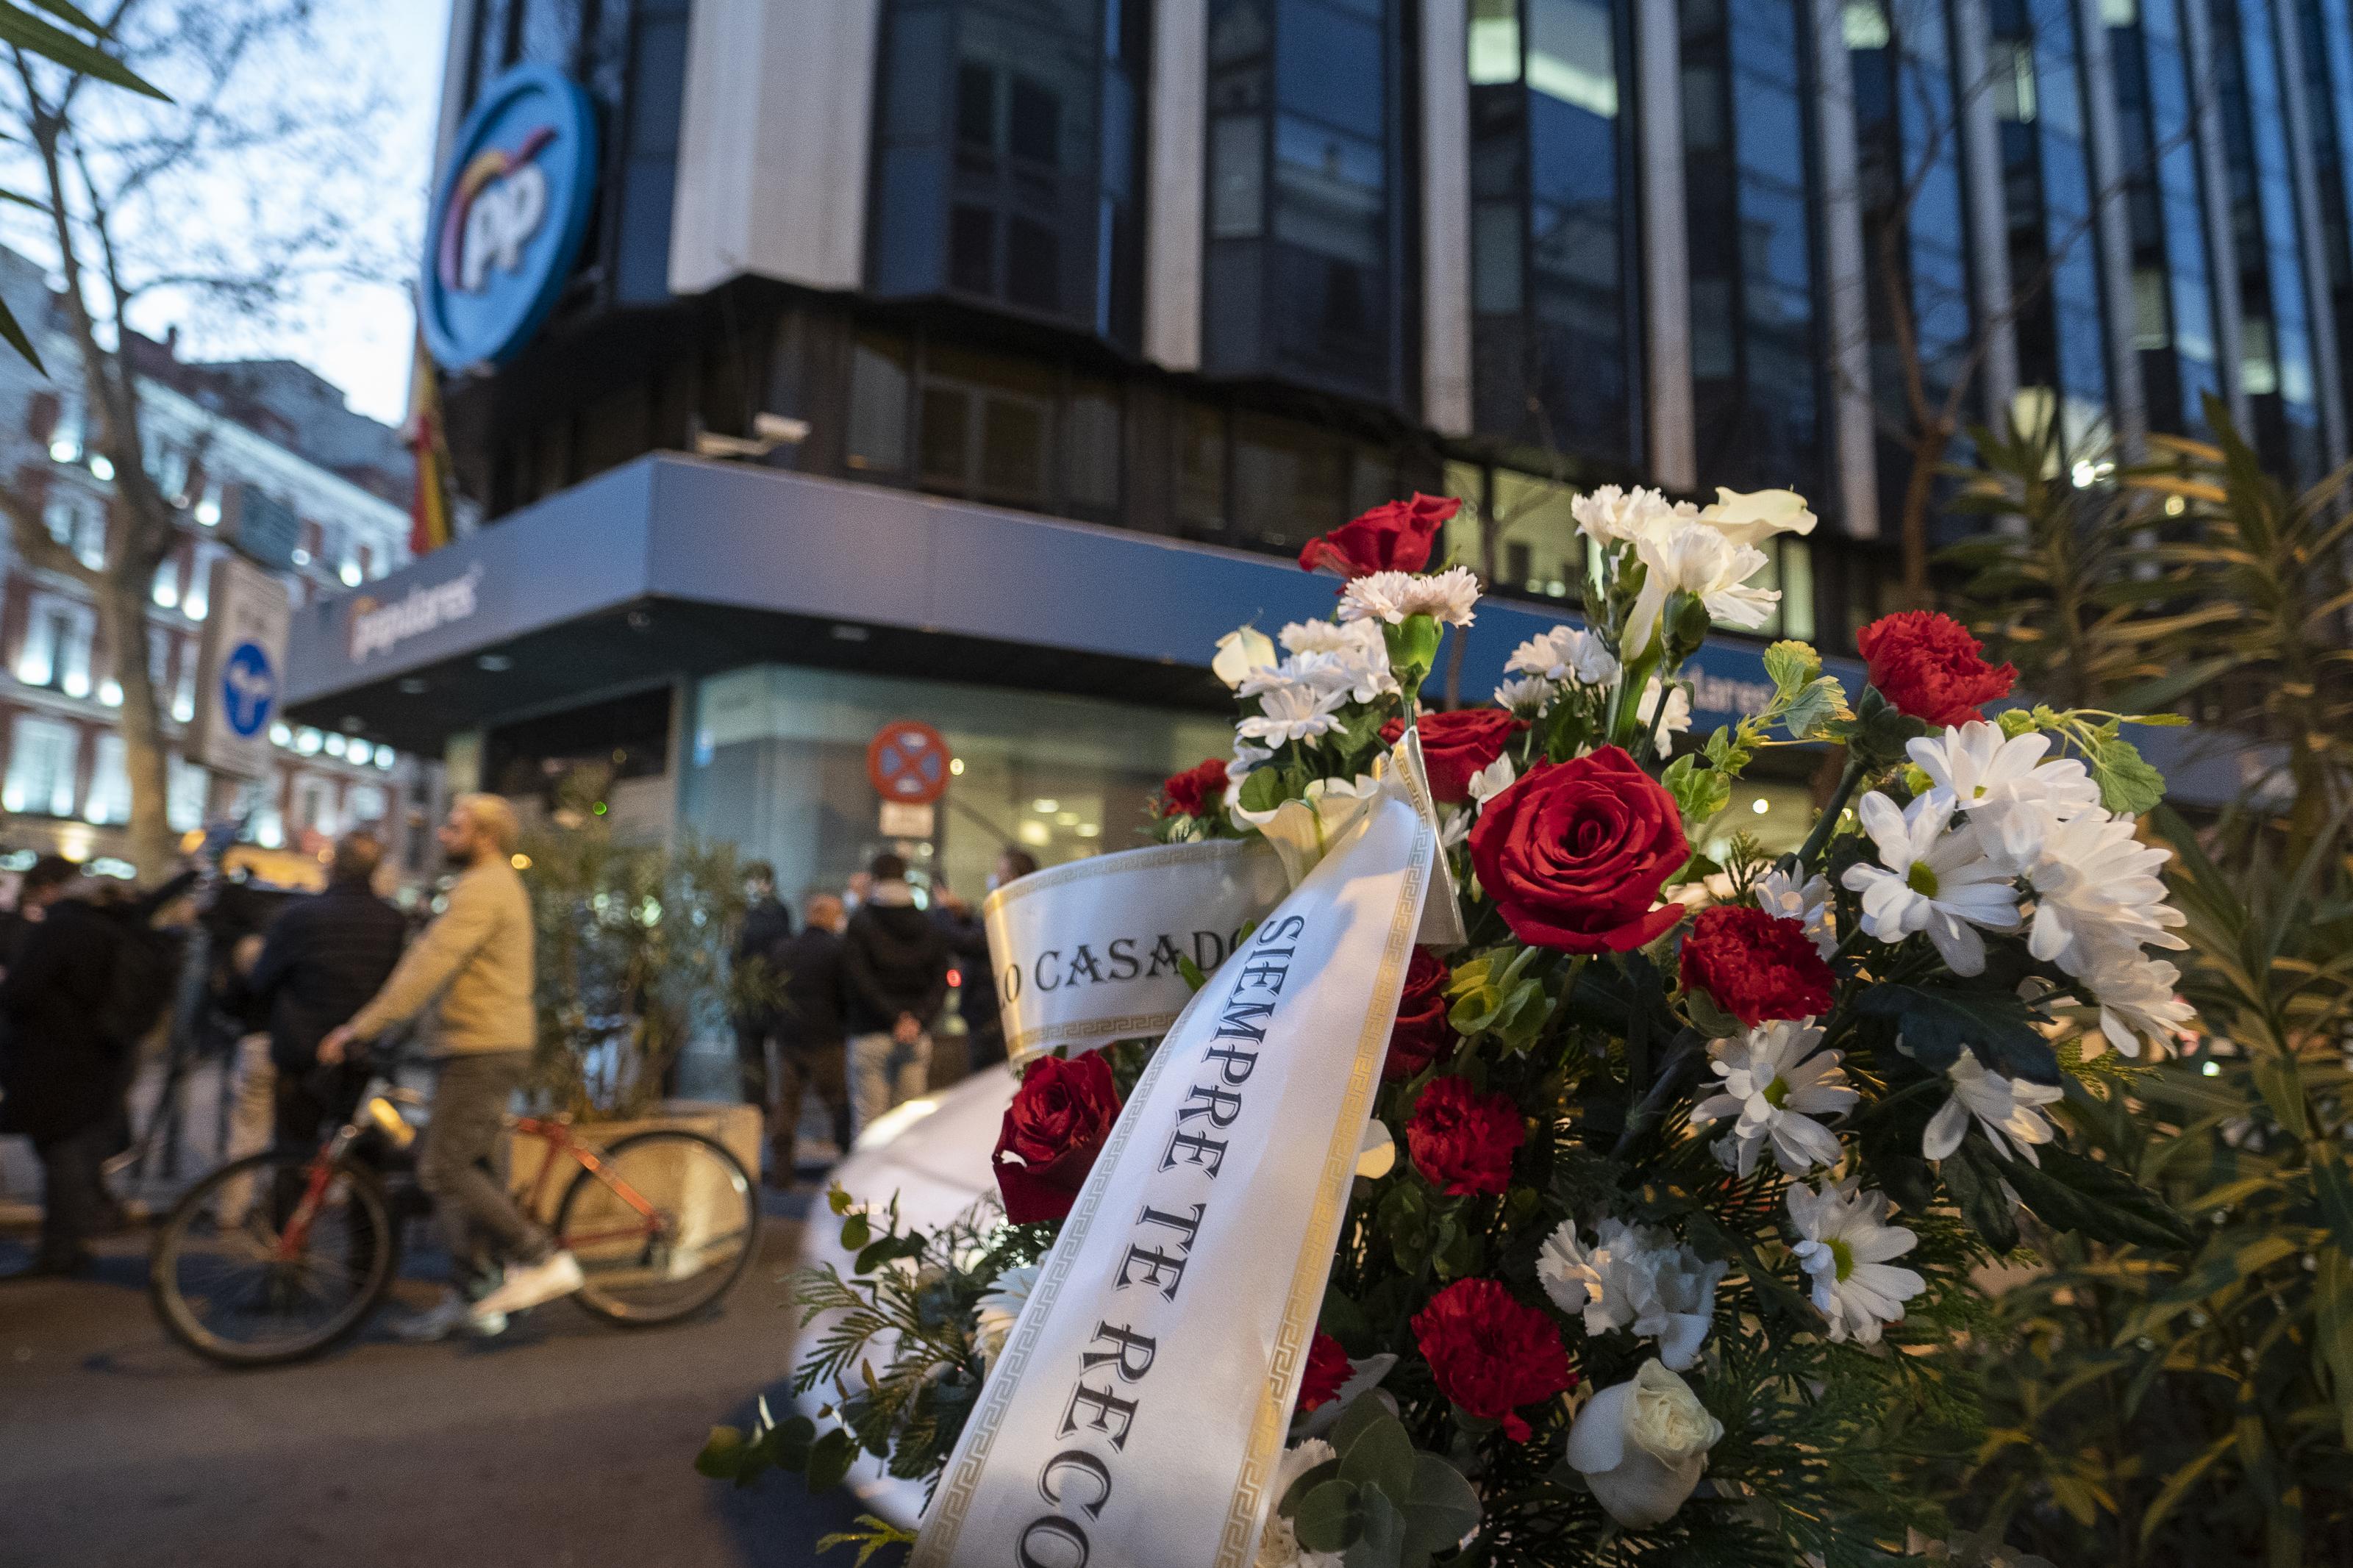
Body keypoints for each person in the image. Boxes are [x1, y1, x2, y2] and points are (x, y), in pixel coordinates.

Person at [321, 795, 575, 1339]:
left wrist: (359, 1027)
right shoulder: (482, 884)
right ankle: (474, 1293)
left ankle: (543, 1257)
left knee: (441, 1168)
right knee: (470, 1175)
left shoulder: (484, 887)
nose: (442, 834)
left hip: (482, 1049)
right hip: (468, 1044)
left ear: (485, 835)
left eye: (454, 826)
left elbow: (429, 965)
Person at [0, 862, 188, 1276]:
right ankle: (71, 1239)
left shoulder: (62, 929)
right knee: (73, 1146)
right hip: (106, 1057)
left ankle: (67, 1244)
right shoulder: (124, 932)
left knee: (59, 1150)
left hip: (52, 1057)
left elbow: (19, 993)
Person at [235, 832, 407, 1217]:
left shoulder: (299, 916)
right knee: (365, 1165)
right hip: (365, 1055)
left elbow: (262, 980)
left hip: (303, 1051)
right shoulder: (392, 921)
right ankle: (365, 1269)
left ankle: (288, 1252)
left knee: (293, 1155)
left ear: (332, 864)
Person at [840, 853, 949, 1137]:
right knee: (909, 1127)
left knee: (869, 1125)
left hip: (870, 1033)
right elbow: (940, 980)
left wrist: (893, 1017)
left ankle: (865, 1184)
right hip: (916, 1035)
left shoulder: (862, 922)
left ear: (873, 878)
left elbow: (858, 980)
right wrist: (917, 1020)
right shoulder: (928, 923)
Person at [763, 891, 849, 1184]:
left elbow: (769, 995)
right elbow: (846, 994)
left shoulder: (784, 949)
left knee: (785, 1107)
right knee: (838, 1105)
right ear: (827, 916)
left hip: (788, 1039)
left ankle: (781, 1175)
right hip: (827, 1039)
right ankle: (847, 1171)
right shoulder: (838, 950)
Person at [729, 860, 793, 1125]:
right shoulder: (774, 911)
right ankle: (761, 1113)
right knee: (757, 1060)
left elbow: (735, 954)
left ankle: (762, 1113)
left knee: (758, 1060)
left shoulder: (759, 912)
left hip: (763, 994)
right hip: (760, 994)